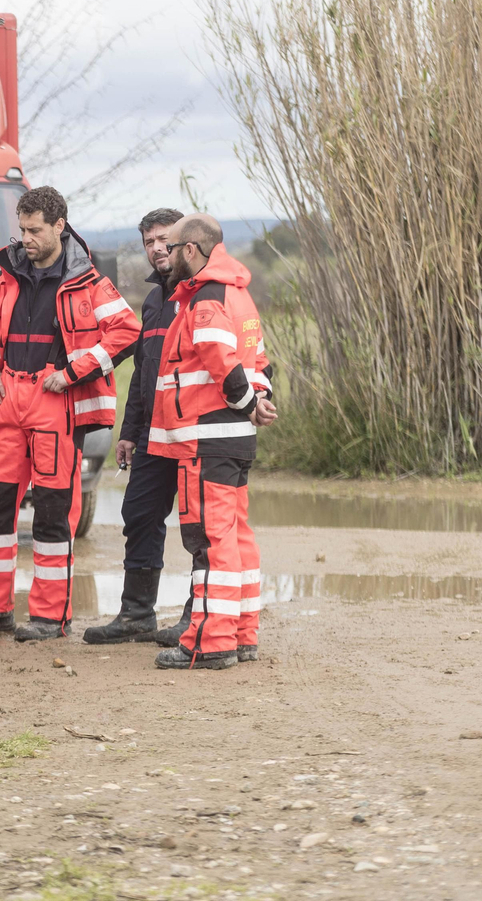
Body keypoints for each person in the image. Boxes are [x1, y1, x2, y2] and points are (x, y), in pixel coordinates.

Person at [0, 186, 139, 642]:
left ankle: (51, 618)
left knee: (52, 516)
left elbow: (127, 332)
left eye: (34, 231)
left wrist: (74, 372)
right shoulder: (7, 275)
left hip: (56, 407)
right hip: (9, 399)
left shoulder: (89, 283)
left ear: (58, 226)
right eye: (22, 229)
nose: (26, 239)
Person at [145, 213, 276, 670]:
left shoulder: (205, 299)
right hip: (235, 440)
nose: (166, 252)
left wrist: (244, 402)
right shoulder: (239, 295)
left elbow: (223, 362)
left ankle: (209, 641)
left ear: (194, 250)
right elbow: (259, 360)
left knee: (209, 541)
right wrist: (258, 402)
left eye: (173, 245)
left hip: (206, 438)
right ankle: (242, 635)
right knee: (237, 537)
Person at [85, 208, 185, 644]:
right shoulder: (152, 301)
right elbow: (144, 373)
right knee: (139, 514)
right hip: (152, 434)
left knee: (202, 525)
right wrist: (128, 432)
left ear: (186, 242)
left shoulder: (203, 295)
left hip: (193, 432)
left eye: (165, 239)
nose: (157, 248)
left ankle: (197, 615)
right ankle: (137, 616)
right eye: (149, 242)